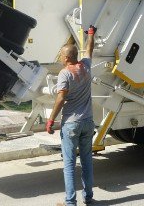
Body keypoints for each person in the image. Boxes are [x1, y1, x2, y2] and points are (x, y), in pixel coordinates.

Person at [47, 25, 96, 205]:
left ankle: (70, 202)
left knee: (69, 165)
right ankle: (88, 197)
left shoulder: (65, 73)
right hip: (88, 122)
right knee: (86, 161)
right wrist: (91, 35)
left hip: (71, 124)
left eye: (61, 55)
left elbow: (60, 99)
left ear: (67, 58)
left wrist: (51, 120)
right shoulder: (86, 67)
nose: (60, 57)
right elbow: (89, 50)